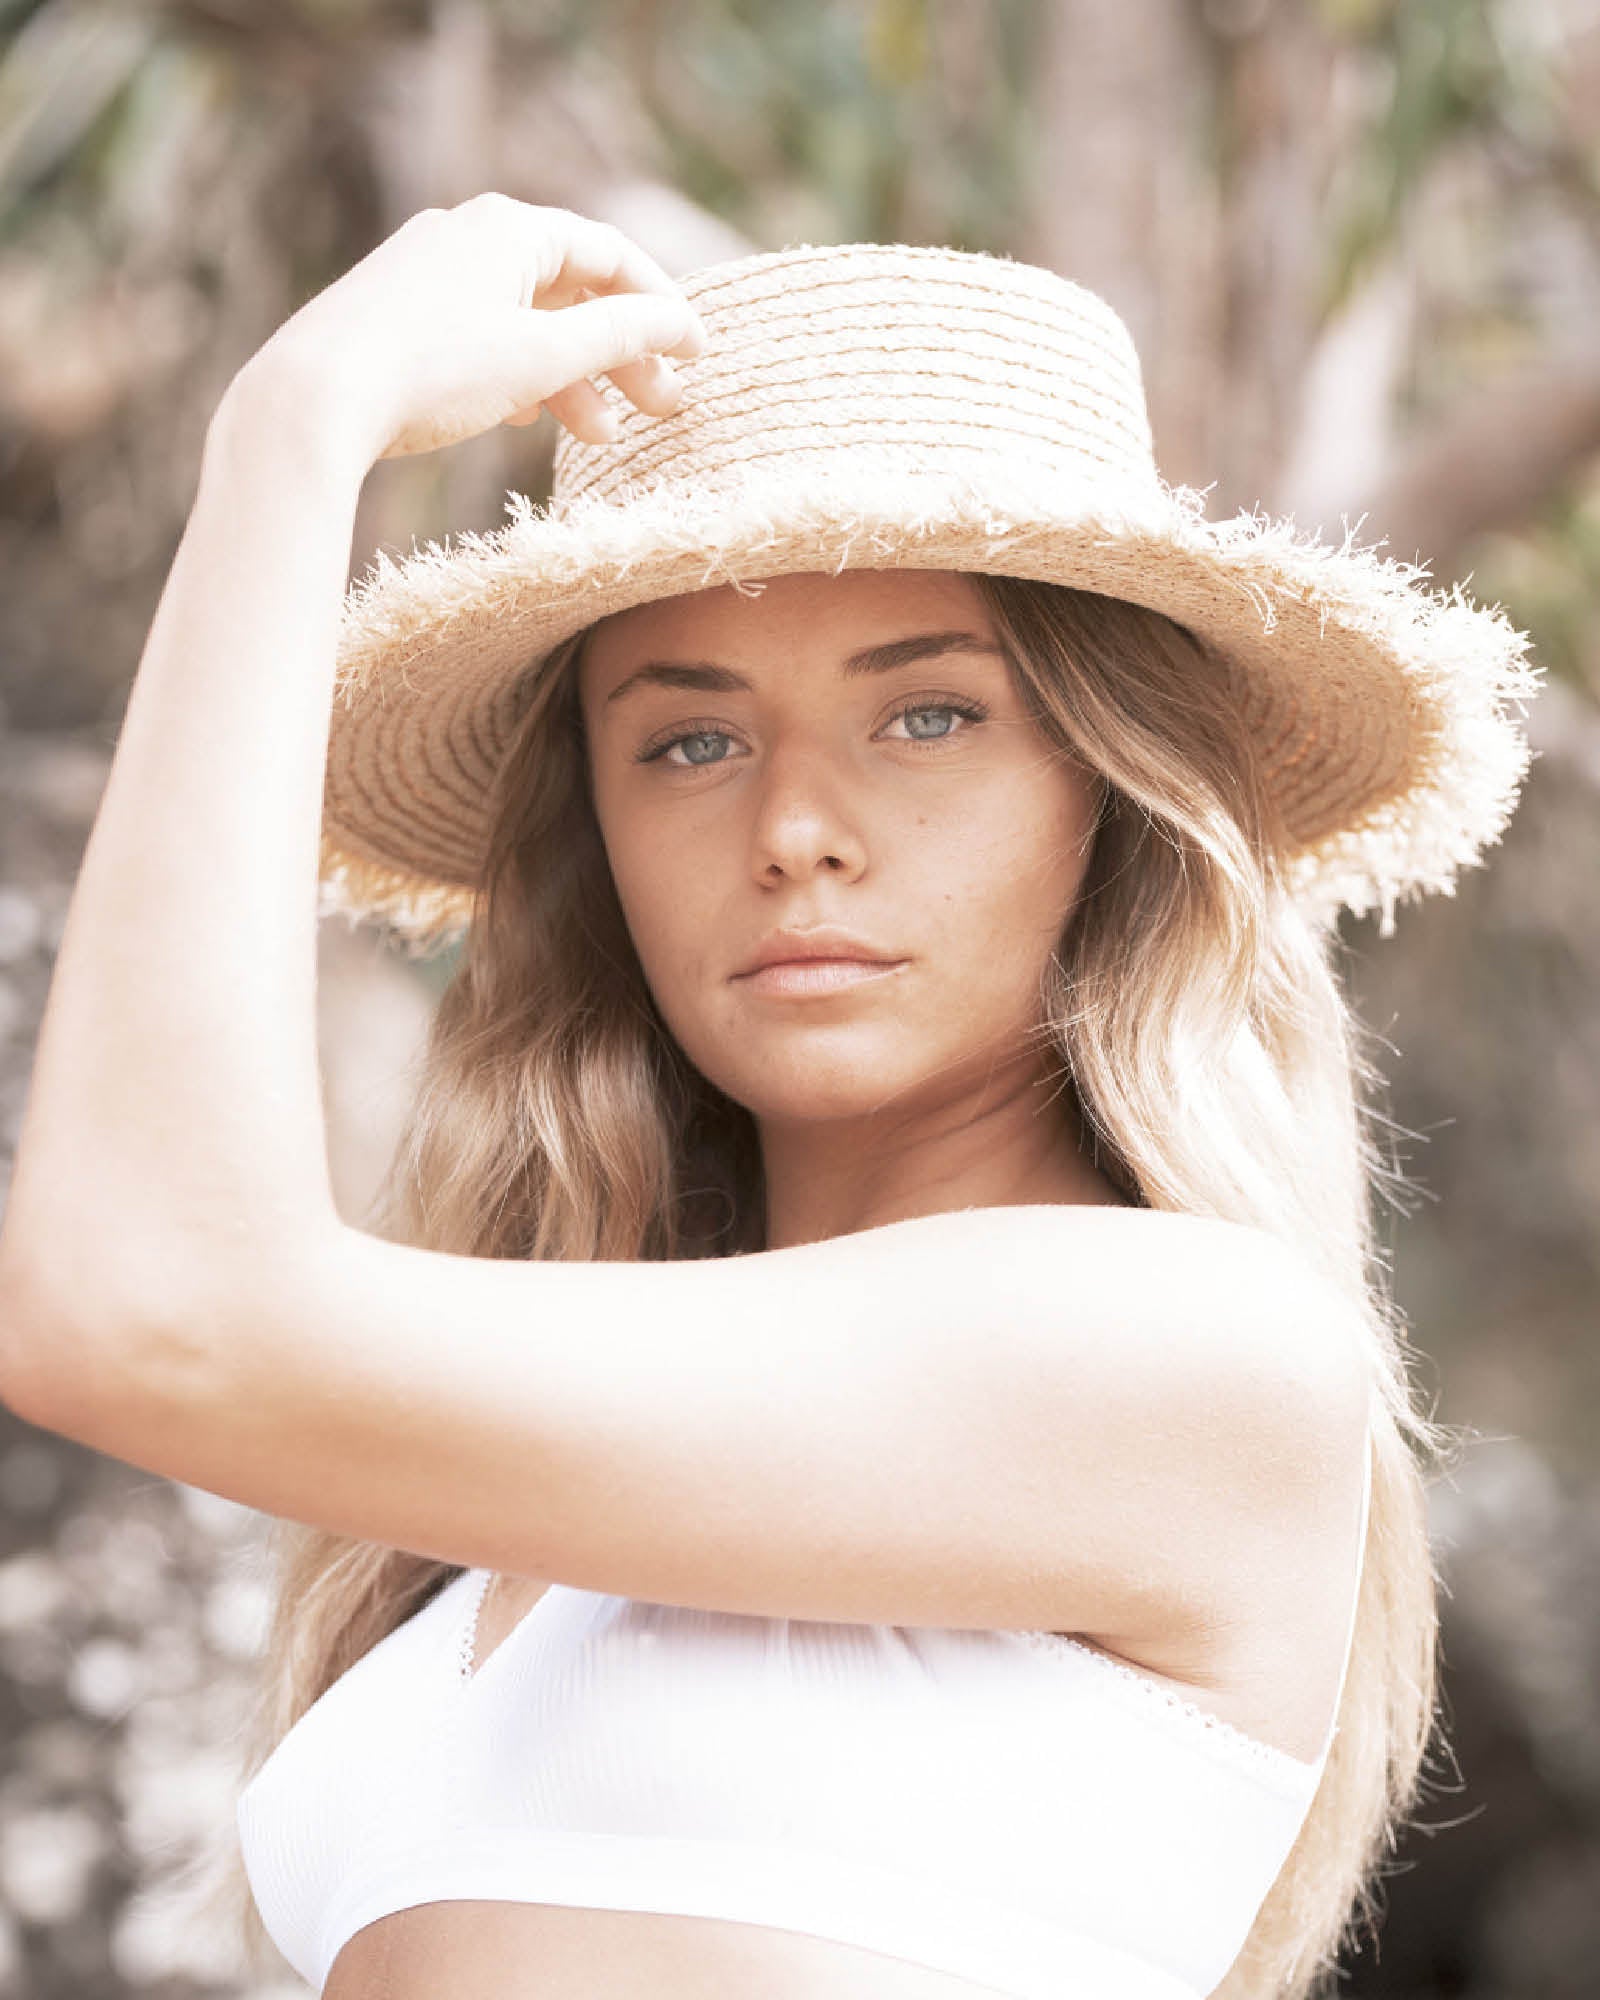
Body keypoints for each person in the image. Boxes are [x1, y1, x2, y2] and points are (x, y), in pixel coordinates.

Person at [0, 198, 1542, 2000]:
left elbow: (144, 1311)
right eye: (692, 739)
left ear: (1111, 797)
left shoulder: (1193, 1351)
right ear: (602, 835)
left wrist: (290, 433)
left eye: (931, 716)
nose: (795, 828)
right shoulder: (511, 1504)